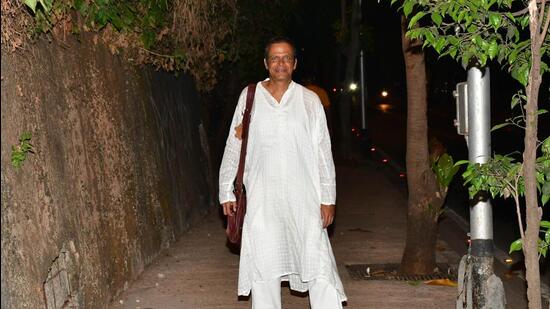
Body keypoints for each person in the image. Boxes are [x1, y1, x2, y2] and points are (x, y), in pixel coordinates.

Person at [219, 36, 346, 309]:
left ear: (295, 63)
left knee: (317, 263)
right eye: (275, 58)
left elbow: (324, 152)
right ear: (266, 63)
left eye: (286, 57)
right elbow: (234, 144)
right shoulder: (249, 96)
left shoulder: (309, 100)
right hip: (263, 199)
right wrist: (225, 190)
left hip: (304, 198)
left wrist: (328, 198)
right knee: (264, 265)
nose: (280, 63)